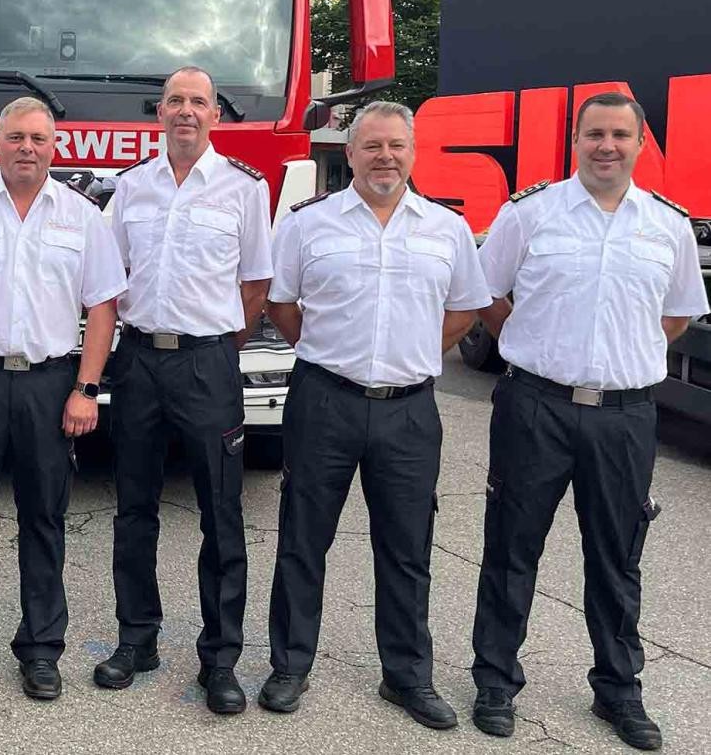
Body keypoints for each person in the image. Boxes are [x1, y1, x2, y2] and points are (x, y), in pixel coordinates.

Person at [470, 92, 708, 751]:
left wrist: (621, 356)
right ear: (574, 141)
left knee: (615, 558)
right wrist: (531, 341)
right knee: (511, 547)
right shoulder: (530, 213)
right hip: (533, 407)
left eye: (619, 135)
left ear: (638, 144)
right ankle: (494, 680)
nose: (606, 145)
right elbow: (485, 291)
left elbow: (677, 314)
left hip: (624, 414)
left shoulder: (667, 226)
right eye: (594, 134)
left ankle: (618, 691)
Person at [258, 100, 490, 729]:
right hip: (324, 400)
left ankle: (407, 676)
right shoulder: (310, 225)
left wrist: (413, 355)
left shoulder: (444, 229)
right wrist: (330, 353)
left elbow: (467, 309)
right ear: (350, 153)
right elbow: (281, 304)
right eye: (372, 146)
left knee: (407, 547)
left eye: (396, 146)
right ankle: (290, 665)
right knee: (304, 539)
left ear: (413, 152)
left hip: (409, 412)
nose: (385, 156)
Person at [0, 96, 125, 701]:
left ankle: (41, 649)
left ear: (55, 147)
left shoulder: (83, 217)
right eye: (15, 137)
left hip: (49, 382)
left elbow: (103, 306)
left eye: (38, 138)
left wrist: (87, 389)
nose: (26, 148)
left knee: (44, 519)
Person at [94, 66, 272, 715]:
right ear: (159, 112)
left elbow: (254, 284)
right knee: (133, 508)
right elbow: (109, 277)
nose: (186, 111)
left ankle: (218, 658)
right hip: (139, 361)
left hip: (206, 363)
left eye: (198, 101)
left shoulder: (243, 189)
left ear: (214, 115)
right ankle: (135, 639)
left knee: (221, 516)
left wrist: (216, 351)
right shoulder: (131, 186)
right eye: (176, 101)